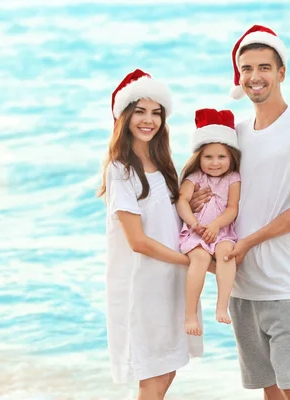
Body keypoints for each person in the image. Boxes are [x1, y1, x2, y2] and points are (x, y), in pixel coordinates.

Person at [191, 25, 290, 400]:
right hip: (242, 287)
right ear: (238, 76)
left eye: (263, 67)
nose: (254, 77)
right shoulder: (234, 137)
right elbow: (209, 192)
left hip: (286, 284)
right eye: (246, 69)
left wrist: (250, 241)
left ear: (281, 73)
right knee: (269, 390)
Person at [98, 68, 203, 400]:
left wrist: (189, 204)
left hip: (171, 282)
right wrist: (189, 260)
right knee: (153, 376)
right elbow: (138, 241)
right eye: (140, 111)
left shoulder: (163, 165)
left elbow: (167, 218)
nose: (149, 120)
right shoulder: (120, 170)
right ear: (124, 116)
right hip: (144, 287)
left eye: (156, 112)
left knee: (168, 369)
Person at [176, 108, 241, 336]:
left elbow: (232, 208)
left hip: (221, 231)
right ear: (199, 158)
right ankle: (190, 314)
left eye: (221, 157)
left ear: (231, 157)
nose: (215, 163)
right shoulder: (194, 178)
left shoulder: (233, 178)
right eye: (208, 157)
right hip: (196, 232)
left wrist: (215, 226)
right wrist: (194, 223)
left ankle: (222, 304)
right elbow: (182, 201)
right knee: (201, 257)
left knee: (226, 253)